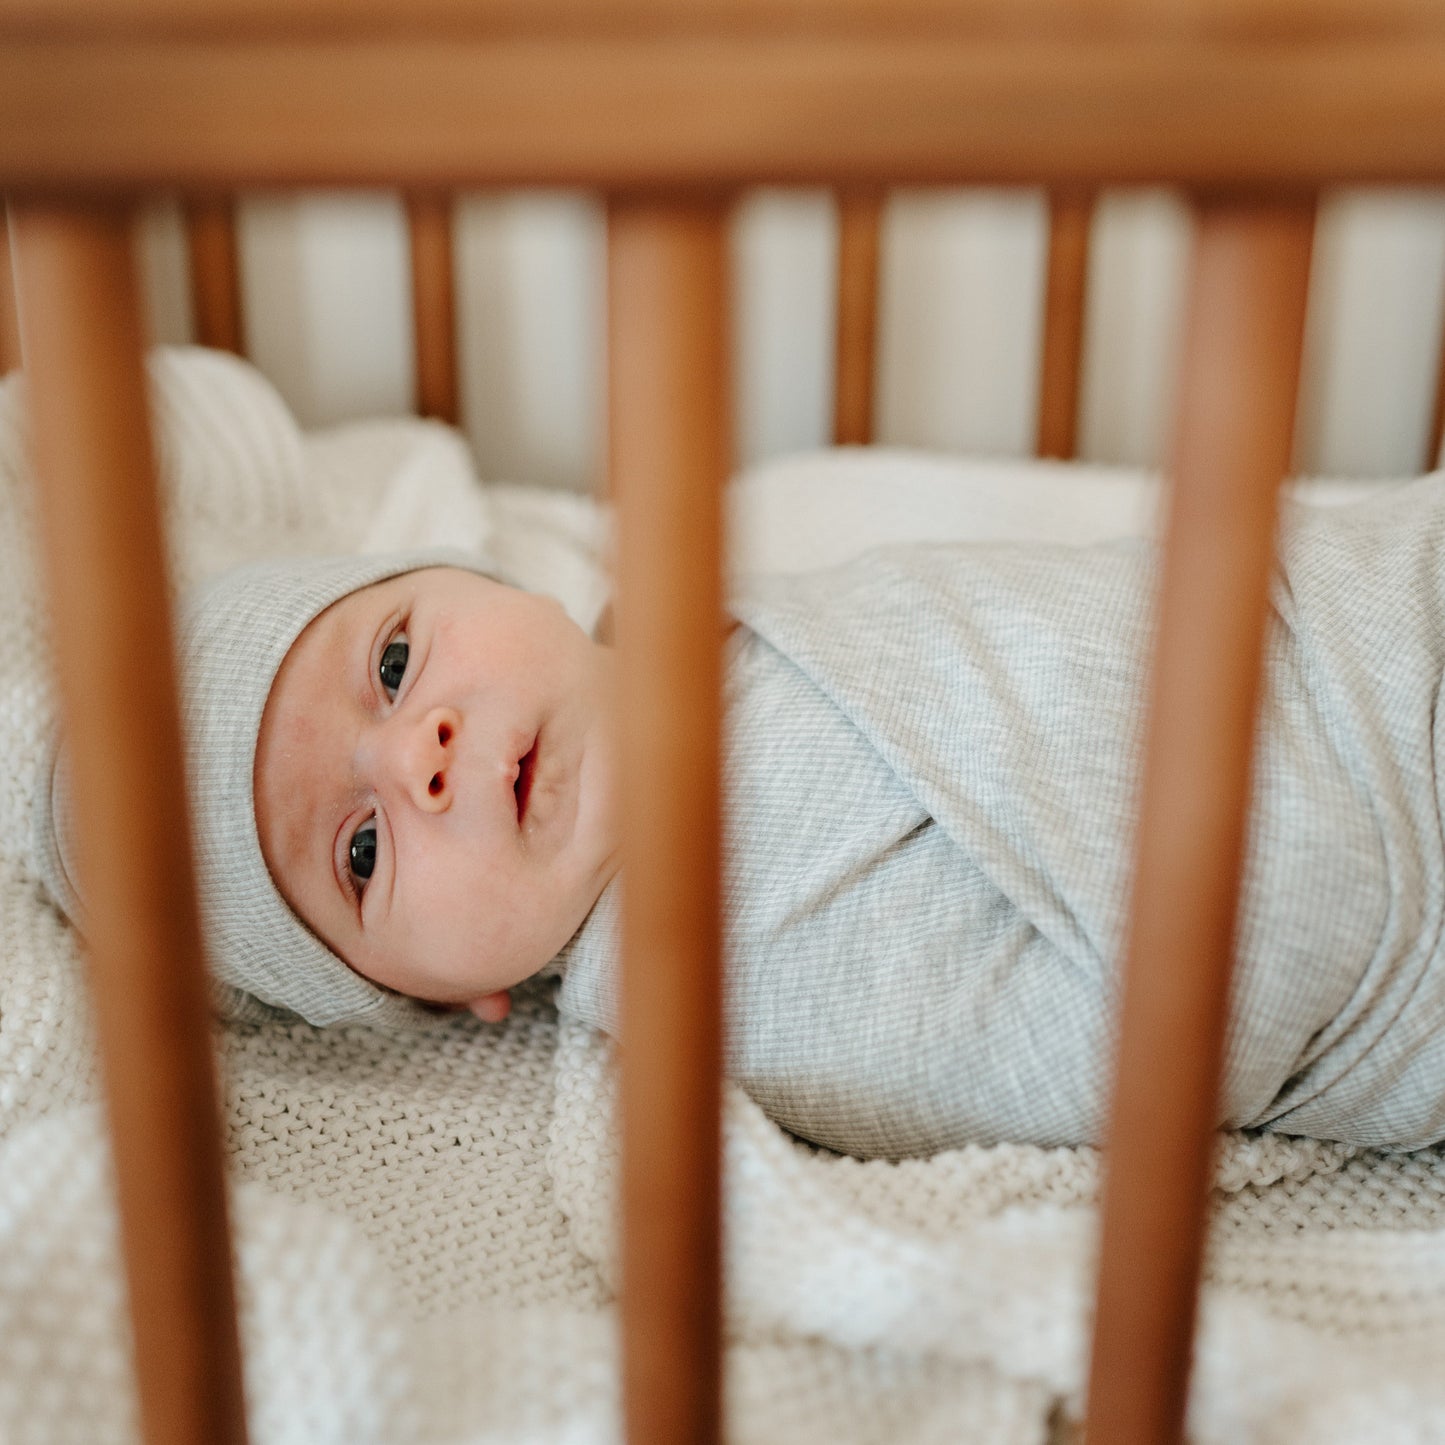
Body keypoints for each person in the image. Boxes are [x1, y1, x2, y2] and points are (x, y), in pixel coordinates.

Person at [31, 473, 1445, 1159]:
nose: (422, 753)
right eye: (358, 850)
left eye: (395, 662)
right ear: (444, 997)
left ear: (467, 575)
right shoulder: (725, 971)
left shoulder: (691, 628)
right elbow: (1142, 1034)